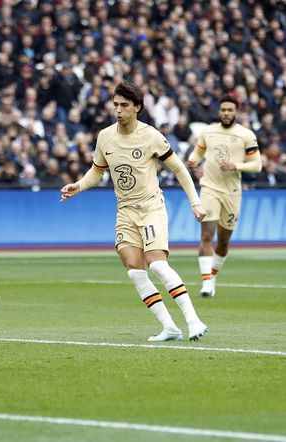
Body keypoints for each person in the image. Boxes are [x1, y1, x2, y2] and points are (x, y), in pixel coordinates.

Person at [61, 81, 209, 342]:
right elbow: (98, 170)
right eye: (116, 105)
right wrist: (79, 186)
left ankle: (193, 320)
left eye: (124, 105)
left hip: (151, 207)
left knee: (158, 265)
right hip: (125, 211)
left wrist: (195, 202)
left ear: (137, 108)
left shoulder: (151, 135)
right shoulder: (105, 137)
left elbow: (179, 169)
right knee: (133, 268)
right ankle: (170, 327)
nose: (118, 110)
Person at [186, 96, 262, 297]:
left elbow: (257, 164)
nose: (226, 113)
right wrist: (193, 161)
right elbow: (197, 153)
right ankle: (206, 283)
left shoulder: (246, 135)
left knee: (224, 241)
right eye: (223, 110)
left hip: (232, 193)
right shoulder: (208, 132)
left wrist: (236, 165)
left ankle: (213, 274)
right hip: (209, 188)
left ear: (236, 111)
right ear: (219, 111)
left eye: (230, 110)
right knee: (206, 236)